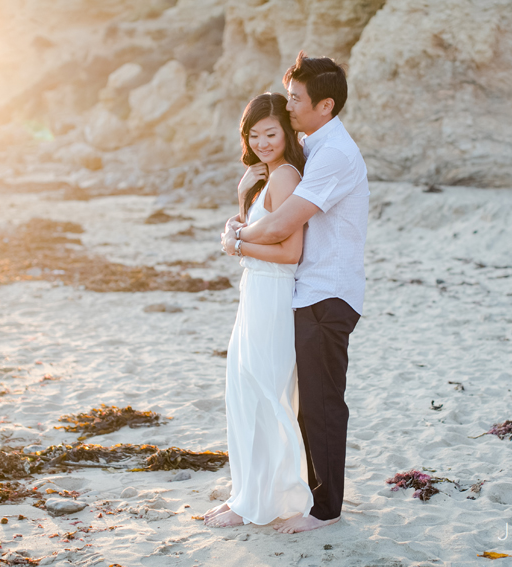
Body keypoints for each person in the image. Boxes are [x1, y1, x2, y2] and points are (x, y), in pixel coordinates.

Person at [221, 51, 369, 534]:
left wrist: (237, 239)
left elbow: (283, 226)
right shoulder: (314, 147)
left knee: (322, 404)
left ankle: (326, 510)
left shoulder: (335, 155)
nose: (289, 107)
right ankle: (295, 495)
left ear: (324, 106)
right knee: (301, 402)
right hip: (305, 291)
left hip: (328, 293)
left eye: (296, 99)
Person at [204, 92, 313, 528]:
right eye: (255, 134)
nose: (264, 141)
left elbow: (290, 252)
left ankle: (261, 502)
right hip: (256, 291)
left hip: (273, 293)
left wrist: (237, 243)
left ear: (287, 132)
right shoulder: (266, 175)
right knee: (246, 391)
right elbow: (258, 231)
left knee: (265, 394)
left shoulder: (285, 175)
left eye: (271, 133)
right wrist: (239, 219)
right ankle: (246, 495)